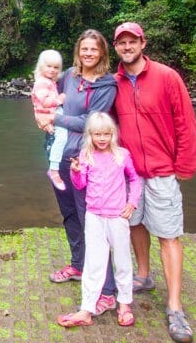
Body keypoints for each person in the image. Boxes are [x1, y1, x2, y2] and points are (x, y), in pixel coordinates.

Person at [112, 22, 196, 343]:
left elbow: (185, 122)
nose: (127, 46)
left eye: (131, 41)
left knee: (169, 234)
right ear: (116, 47)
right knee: (134, 223)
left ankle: (175, 307)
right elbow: (101, 123)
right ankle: (144, 276)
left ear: (143, 43)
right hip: (130, 173)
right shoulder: (114, 83)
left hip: (163, 170)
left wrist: (184, 165)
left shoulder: (167, 77)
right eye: (121, 42)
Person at [35, 29, 119, 315]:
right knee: (70, 214)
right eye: (84, 49)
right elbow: (45, 92)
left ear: (103, 53)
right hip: (59, 157)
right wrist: (40, 115)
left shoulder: (107, 85)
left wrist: (55, 118)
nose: (88, 54)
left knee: (93, 222)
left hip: (86, 160)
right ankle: (79, 265)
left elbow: (91, 122)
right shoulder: (69, 75)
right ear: (78, 51)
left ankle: (107, 290)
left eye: (93, 50)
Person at [57, 112, 141, 328]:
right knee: (94, 262)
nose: (102, 138)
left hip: (117, 217)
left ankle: (124, 304)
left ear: (113, 134)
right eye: (97, 134)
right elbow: (80, 185)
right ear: (90, 135)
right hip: (94, 216)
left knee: (122, 261)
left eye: (106, 134)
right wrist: (75, 172)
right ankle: (86, 308)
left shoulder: (122, 155)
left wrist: (132, 202)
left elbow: (134, 179)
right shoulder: (86, 155)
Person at [30, 49, 67, 191]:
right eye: (49, 66)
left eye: (56, 67)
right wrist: (60, 99)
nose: (52, 70)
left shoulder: (49, 81)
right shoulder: (41, 82)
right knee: (62, 138)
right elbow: (44, 101)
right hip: (50, 114)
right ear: (41, 66)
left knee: (61, 137)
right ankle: (54, 169)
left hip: (52, 114)